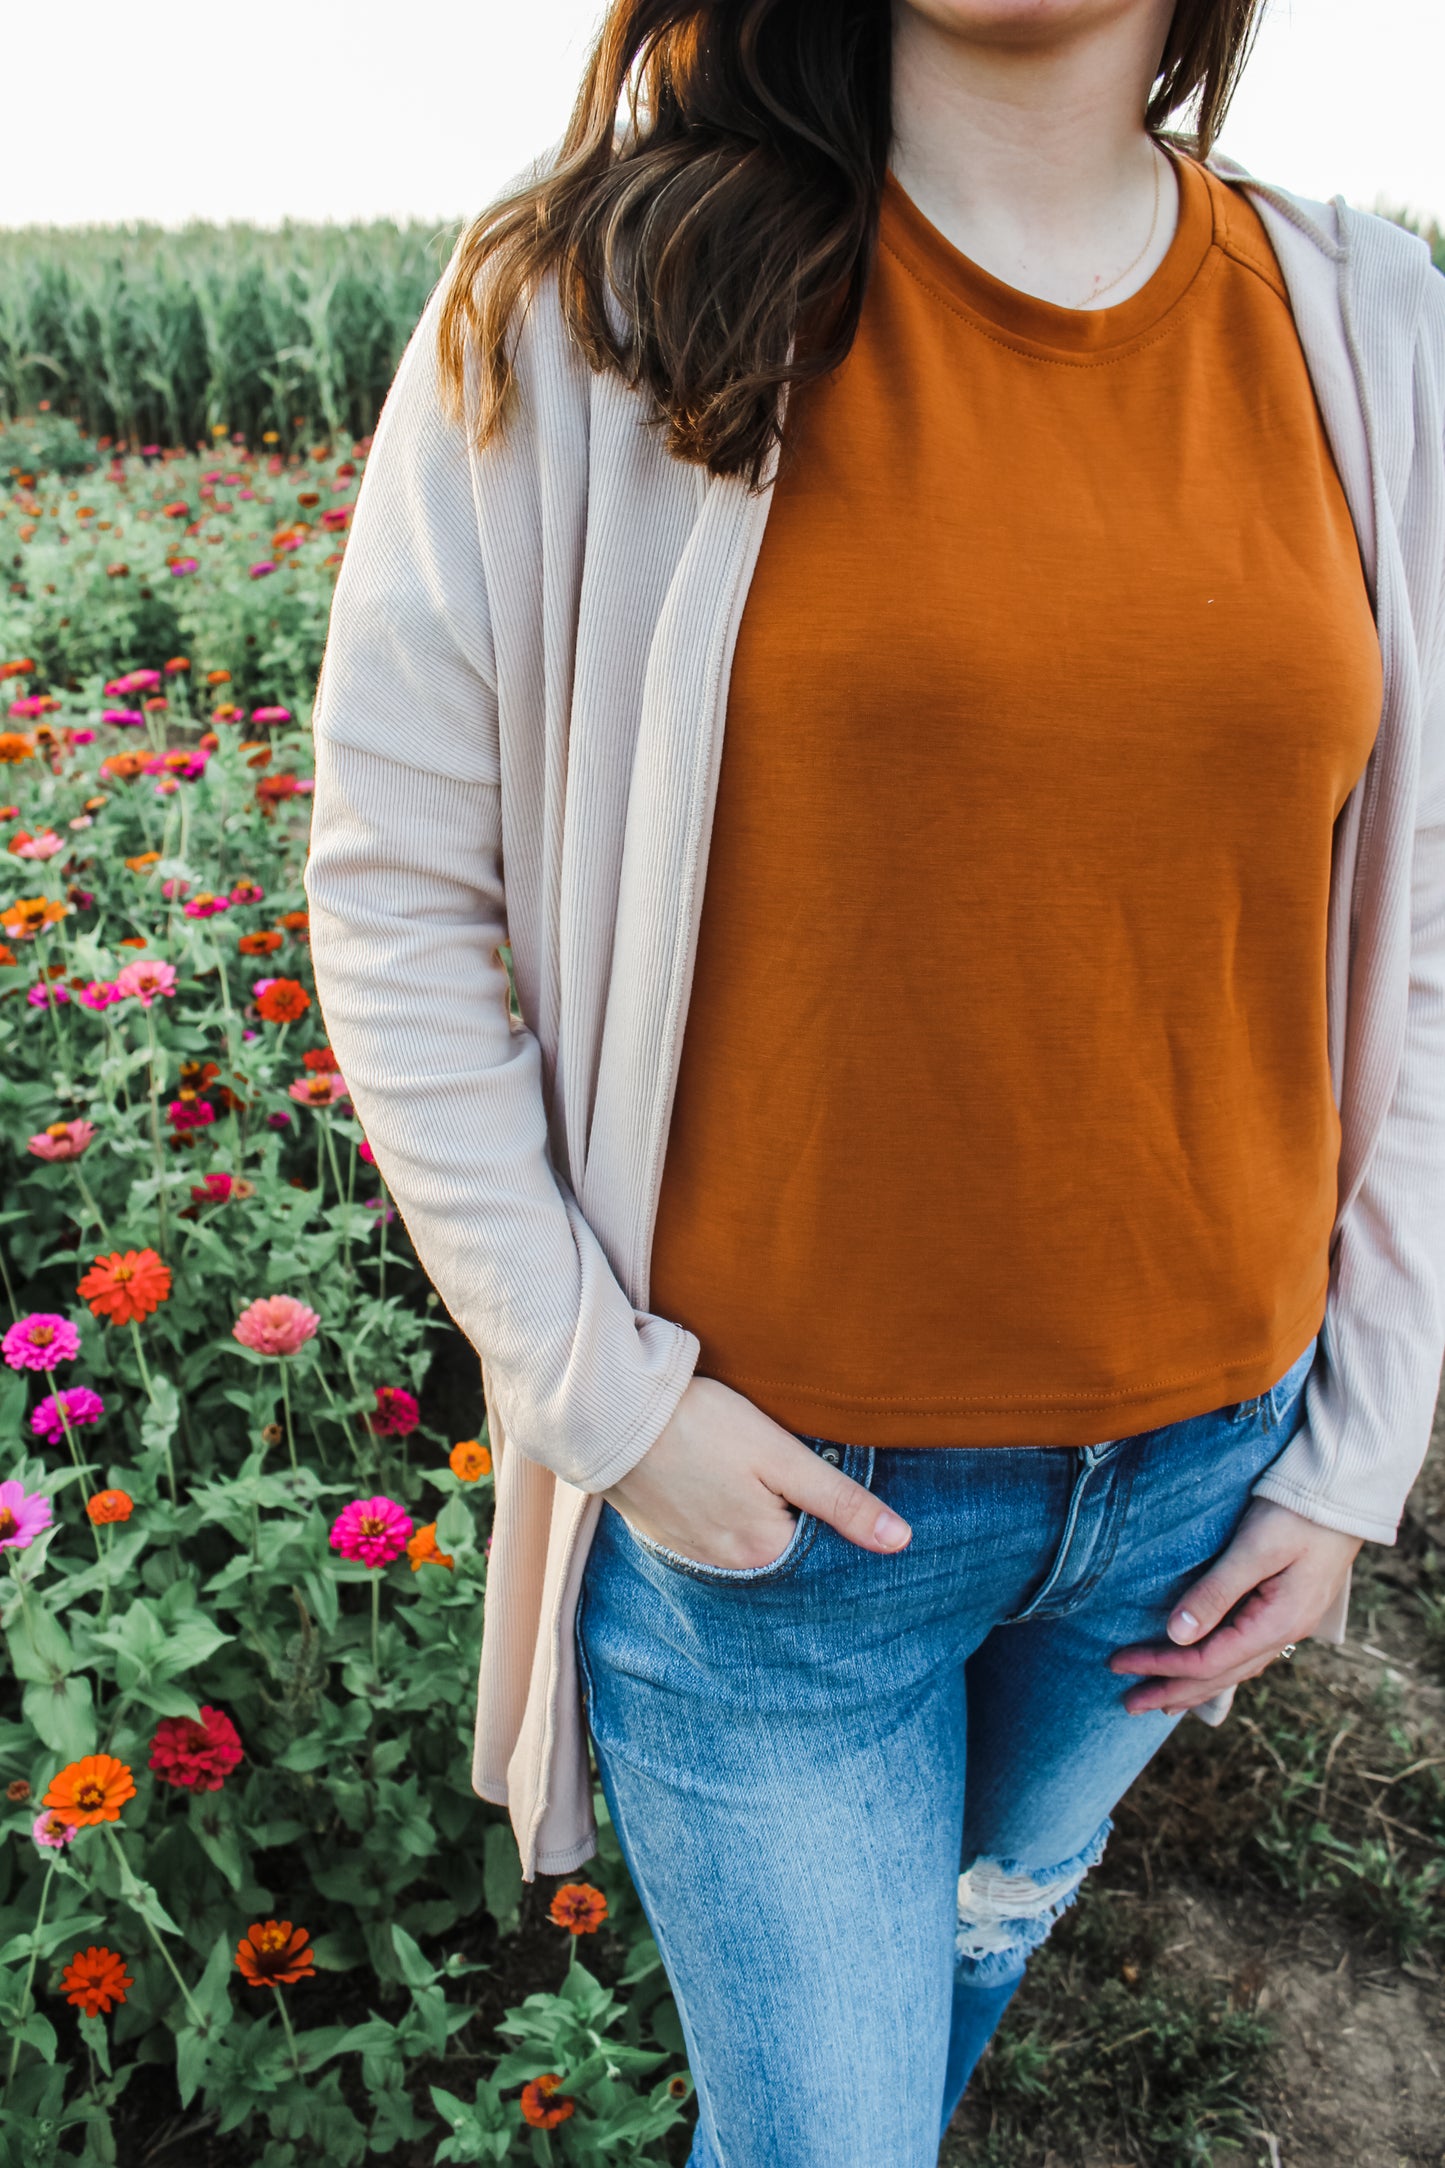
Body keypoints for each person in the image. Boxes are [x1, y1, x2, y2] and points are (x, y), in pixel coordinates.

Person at [303, 2, 1445, 2160]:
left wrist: (1351, 1441)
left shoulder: (1370, 329)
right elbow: (391, 891)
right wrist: (603, 1399)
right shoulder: (596, 308)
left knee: (944, 1997)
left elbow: (1429, 904)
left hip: (1193, 1500)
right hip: (778, 1537)